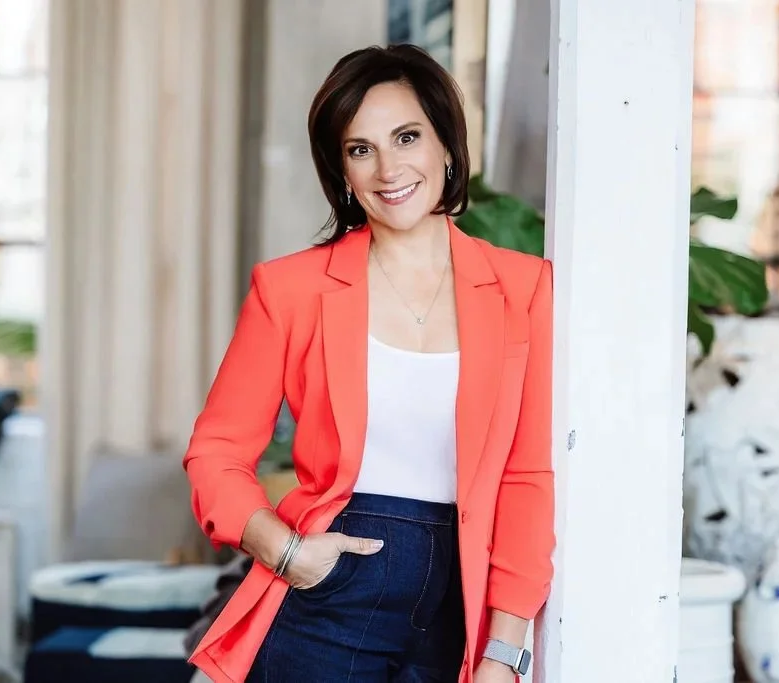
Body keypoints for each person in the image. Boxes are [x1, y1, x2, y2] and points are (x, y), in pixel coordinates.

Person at [183, 44, 555, 683]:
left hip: (461, 605)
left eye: (407, 136)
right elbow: (215, 454)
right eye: (361, 149)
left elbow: (526, 477)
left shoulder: (523, 287)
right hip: (333, 594)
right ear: (343, 173)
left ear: (446, 144)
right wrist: (289, 553)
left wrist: (504, 651)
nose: (388, 168)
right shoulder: (291, 289)